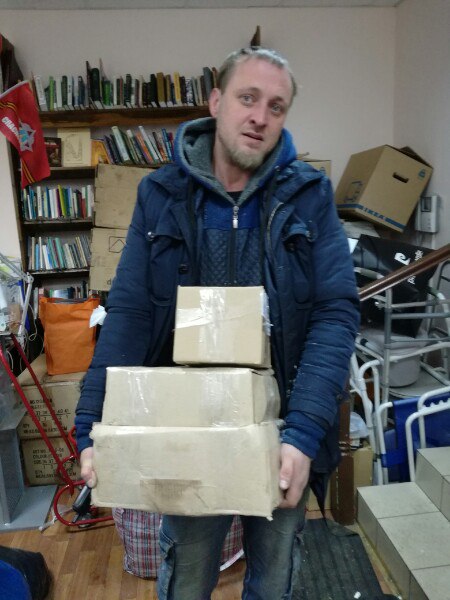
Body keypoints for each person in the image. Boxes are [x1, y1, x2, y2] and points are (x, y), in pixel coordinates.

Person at [75, 47, 360, 599]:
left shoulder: (309, 195)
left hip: (282, 427)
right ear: (215, 101)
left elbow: (335, 311)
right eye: (247, 98)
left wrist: (303, 434)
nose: (260, 117)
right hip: (189, 426)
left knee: (273, 578)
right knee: (186, 574)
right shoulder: (161, 195)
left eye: (276, 106)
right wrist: (91, 423)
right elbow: (130, 311)